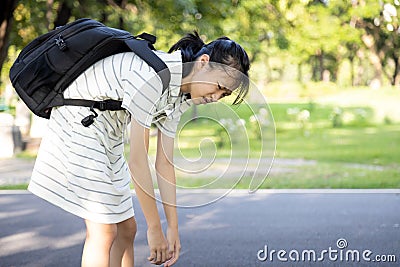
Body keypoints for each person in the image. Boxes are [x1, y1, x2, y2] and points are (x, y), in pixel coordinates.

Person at [28, 30, 250, 267]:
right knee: (103, 231)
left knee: (127, 230)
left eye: (223, 95)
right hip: (79, 123)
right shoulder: (155, 76)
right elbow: (138, 160)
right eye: (218, 86)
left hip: (108, 134)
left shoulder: (180, 96)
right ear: (203, 62)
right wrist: (154, 228)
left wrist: (172, 228)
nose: (215, 97)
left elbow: (164, 163)